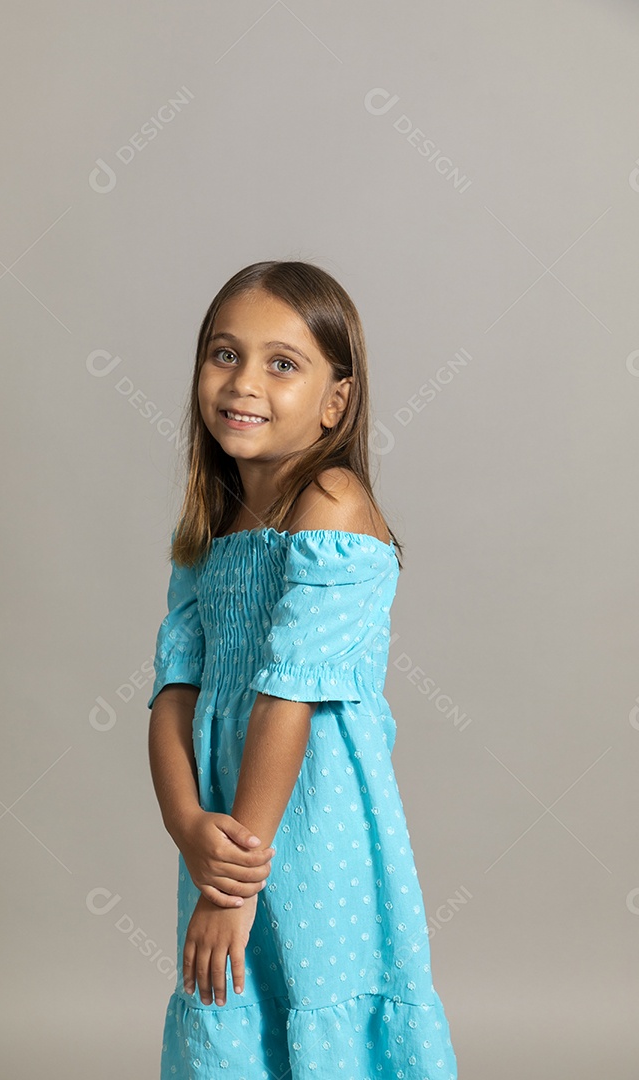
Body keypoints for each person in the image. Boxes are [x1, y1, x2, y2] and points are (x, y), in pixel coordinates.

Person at [147, 260, 458, 1078]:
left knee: (319, 1000)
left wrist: (233, 888)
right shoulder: (211, 524)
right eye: (225, 354)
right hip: (228, 823)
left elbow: (287, 694)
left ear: (336, 401)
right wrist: (188, 827)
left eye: (282, 363)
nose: (243, 381)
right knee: (231, 1004)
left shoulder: (332, 503)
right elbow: (173, 690)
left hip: (313, 823)